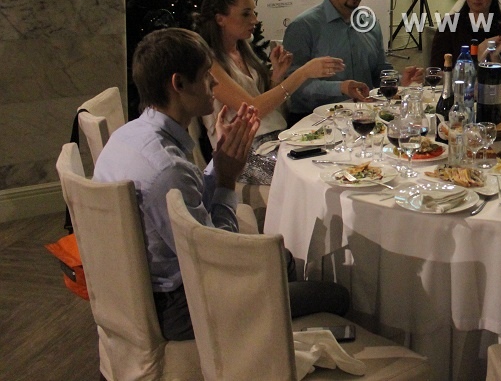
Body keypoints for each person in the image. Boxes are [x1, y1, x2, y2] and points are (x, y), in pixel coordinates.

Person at [93, 28, 349, 340]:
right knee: (335, 296)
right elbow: (218, 259)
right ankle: (267, 346)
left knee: (280, 260)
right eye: (206, 76)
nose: (215, 84)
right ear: (179, 84)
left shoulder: (128, 135)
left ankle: (273, 339)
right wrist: (227, 181)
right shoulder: (167, 170)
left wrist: (220, 160)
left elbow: (189, 208)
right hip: (183, 305)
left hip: (146, 289)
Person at [193, 0, 345, 185]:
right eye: (246, 14)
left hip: (277, 138)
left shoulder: (243, 52)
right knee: (310, 175)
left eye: (254, 12)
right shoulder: (210, 64)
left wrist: (277, 77)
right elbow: (253, 110)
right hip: (242, 152)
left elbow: (267, 109)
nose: (255, 20)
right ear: (220, 19)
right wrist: (302, 73)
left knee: (336, 157)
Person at [283, 0, 420, 118]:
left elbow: (379, 69)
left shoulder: (370, 23)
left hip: (365, 117)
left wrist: (398, 81)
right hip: (314, 122)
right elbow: (292, 87)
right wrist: (341, 88)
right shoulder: (303, 27)